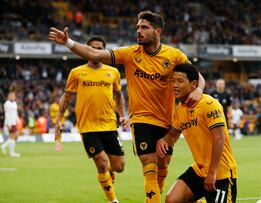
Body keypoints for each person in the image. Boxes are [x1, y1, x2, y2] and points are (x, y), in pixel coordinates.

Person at [49, 10, 205, 203]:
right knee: (150, 165)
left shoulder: (174, 56)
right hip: (141, 119)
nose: (138, 31)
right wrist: (68, 42)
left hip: (167, 121)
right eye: (137, 27)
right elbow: (92, 53)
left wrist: (199, 90)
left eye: (144, 27)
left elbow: (197, 76)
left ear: (158, 31)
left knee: (162, 169)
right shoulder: (130, 54)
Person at [55, 36, 129, 203]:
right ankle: (113, 200)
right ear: (86, 51)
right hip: (88, 128)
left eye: (99, 48)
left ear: (103, 51)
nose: (95, 51)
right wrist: (58, 120)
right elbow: (66, 98)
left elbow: (118, 95)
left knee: (119, 167)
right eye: (92, 48)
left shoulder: (113, 72)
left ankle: (109, 171)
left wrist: (123, 115)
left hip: (110, 125)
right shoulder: (77, 72)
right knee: (102, 163)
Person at [157, 63, 237, 203]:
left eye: (180, 81)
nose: (175, 85)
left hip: (220, 171)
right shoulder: (180, 110)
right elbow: (173, 135)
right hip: (200, 169)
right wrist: (163, 141)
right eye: (173, 80)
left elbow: (219, 139)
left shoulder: (209, 104)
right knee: (172, 200)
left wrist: (212, 173)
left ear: (194, 84)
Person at [1, 91, 21, 157]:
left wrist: (18, 120)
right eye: (11, 96)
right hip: (9, 123)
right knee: (13, 137)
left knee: (14, 137)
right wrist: (8, 124)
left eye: (13, 96)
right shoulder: (7, 104)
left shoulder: (15, 103)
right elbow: (7, 115)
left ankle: (4, 147)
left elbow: (15, 113)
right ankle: (12, 152)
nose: (13, 97)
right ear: (8, 97)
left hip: (14, 122)